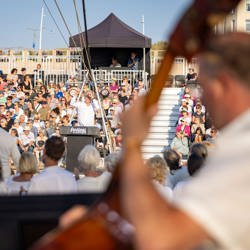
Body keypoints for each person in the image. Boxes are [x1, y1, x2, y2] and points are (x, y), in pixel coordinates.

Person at [118, 32, 250, 249]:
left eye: (203, 88)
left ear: (223, 83)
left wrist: (132, 143)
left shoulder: (241, 150)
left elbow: (158, 241)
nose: (202, 98)